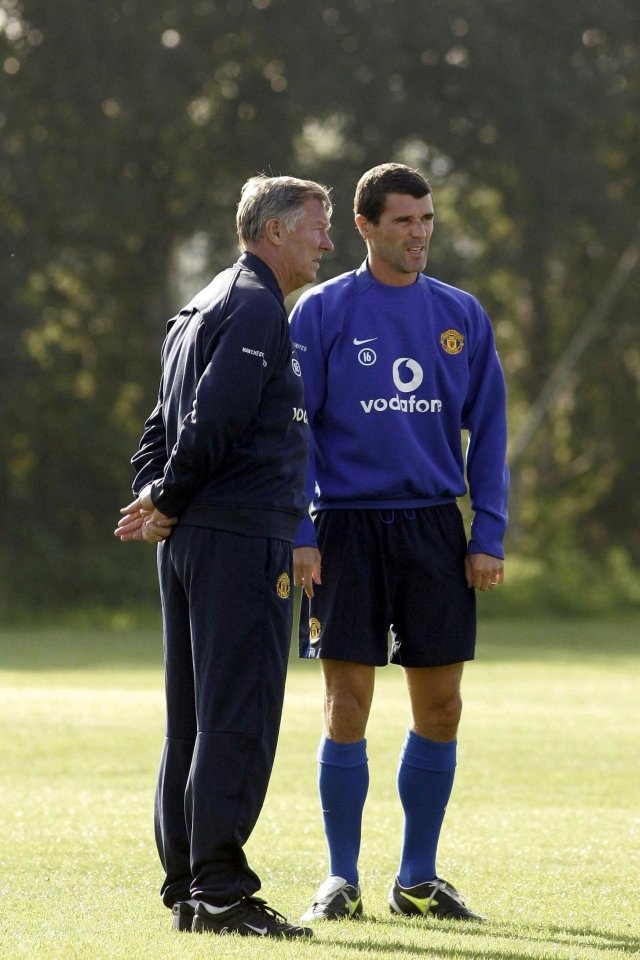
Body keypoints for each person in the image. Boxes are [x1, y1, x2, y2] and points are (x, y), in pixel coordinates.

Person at [114, 174, 333, 938]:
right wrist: (167, 500)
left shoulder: (202, 304)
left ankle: (189, 888)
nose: (328, 242)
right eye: (318, 227)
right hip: (238, 539)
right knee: (236, 717)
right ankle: (221, 891)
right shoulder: (255, 306)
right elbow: (213, 417)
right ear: (274, 231)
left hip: (192, 542)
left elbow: (156, 427)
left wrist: (156, 497)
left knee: (194, 721)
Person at [290, 162, 509, 924]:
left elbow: (490, 435)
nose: (418, 234)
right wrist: (300, 531)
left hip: (432, 530)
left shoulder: (462, 314)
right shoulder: (319, 313)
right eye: (403, 222)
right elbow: (296, 436)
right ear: (365, 226)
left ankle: (418, 879)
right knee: (346, 702)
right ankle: (339, 879)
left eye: (426, 221)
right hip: (345, 528)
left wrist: (489, 532)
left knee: (440, 707)